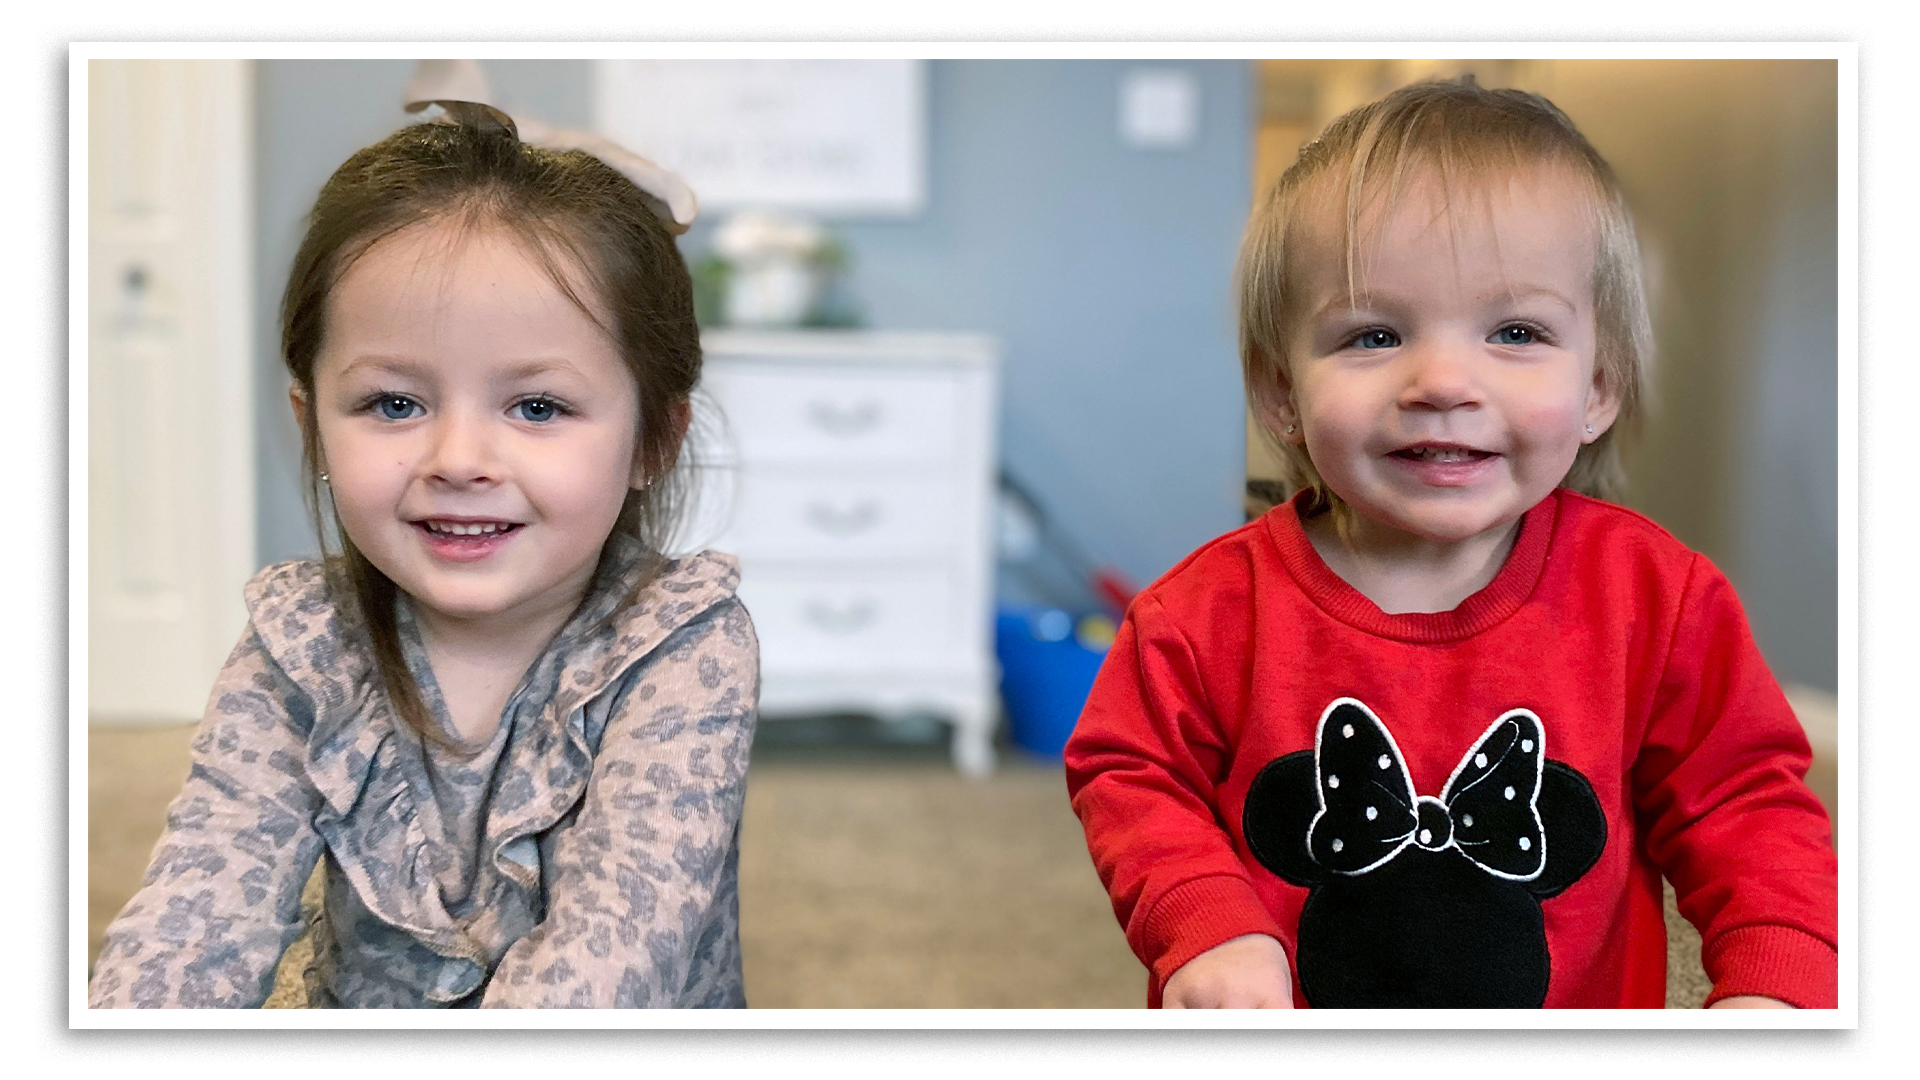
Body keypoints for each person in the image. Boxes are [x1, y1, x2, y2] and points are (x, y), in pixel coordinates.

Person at [1063, 77, 1837, 1010]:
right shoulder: (1200, 616)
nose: (1441, 381)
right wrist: (1207, 922)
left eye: (1515, 331)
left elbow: (1747, 810)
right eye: (1374, 334)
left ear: (1599, 388)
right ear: (1280, 393)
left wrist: (1779, 984)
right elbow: (1130, 771)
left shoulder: (1656, 600)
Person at [87, 91, 757, 1008]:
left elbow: (608, 967)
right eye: (394, 404)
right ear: (313, 427)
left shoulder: (682, 646)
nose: (459, 462)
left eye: (538, 408)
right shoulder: (299, 645)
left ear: (653, 441)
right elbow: (193, 921)